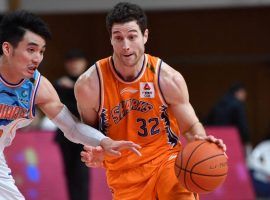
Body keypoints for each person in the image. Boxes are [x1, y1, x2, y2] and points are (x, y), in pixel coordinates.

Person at [77, 2, 226, 200]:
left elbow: (190, 127)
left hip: (166, 162)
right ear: (110, 39)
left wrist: (203, 141)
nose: (126, 45)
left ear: (145, 36)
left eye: (132, 36)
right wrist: (97, 150)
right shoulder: (89, 85)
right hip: (124, 174)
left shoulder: (167, 78)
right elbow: (90, 134)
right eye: (118, 38)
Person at [0, 10, 141, 200]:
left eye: (41, 51)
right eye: (31, 50)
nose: (37, 58)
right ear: (8, 49)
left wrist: (104, 142)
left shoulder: (38, 87)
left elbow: (73, 128)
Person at [54, 49, 90, 200]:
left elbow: (85, 109)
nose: (74, 65)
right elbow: (58, 108)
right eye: (71, 62)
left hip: (84, 135)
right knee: (69, 172)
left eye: (78, 61)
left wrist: (73, 87)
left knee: (81, 173)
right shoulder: (59, 84)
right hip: (64, 136)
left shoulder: (89, 83)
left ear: (84, 63)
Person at [204, 83, 251, 154]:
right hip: (232, 141)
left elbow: (207, 122)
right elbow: (242, 125)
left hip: (216, 141)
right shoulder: (237, 105)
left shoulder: (218, 103)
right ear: (240, 92)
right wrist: (247, 141)